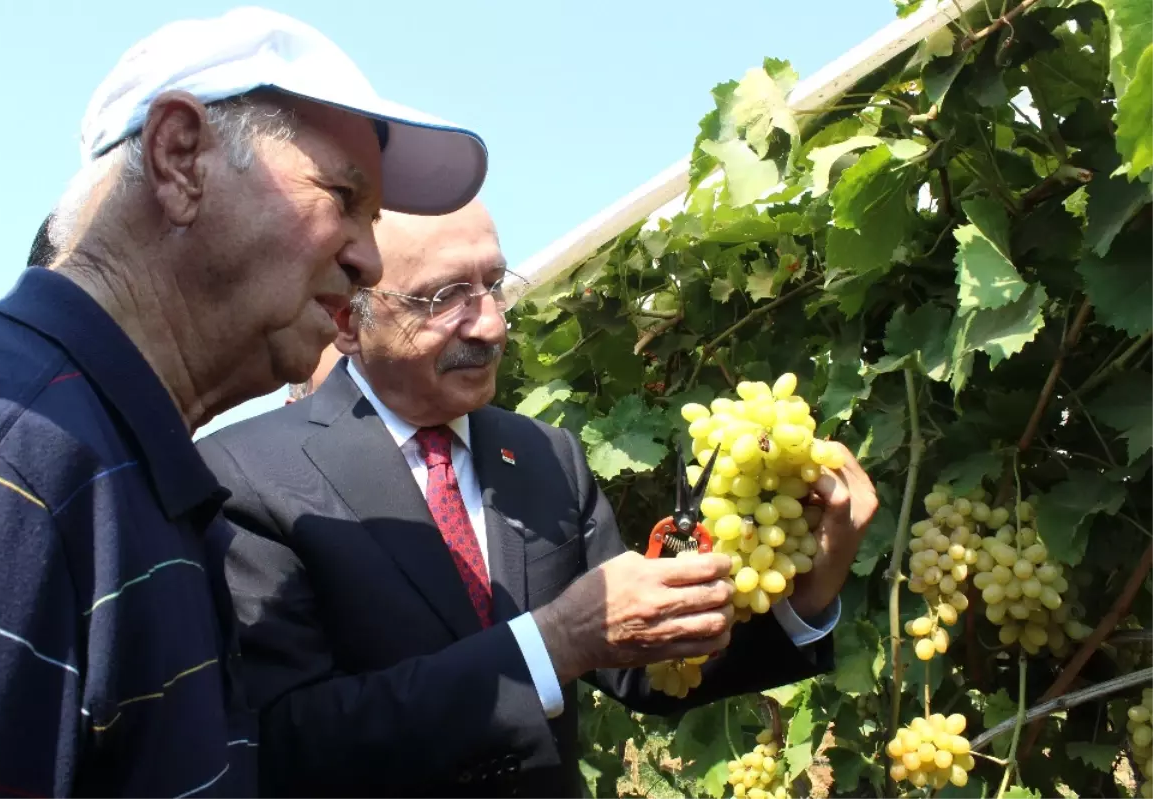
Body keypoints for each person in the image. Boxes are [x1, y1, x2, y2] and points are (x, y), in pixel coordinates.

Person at [0, 7, 487, 798]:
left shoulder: (125, 461)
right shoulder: (2, 459)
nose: (370, 261)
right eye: (343, 196)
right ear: (179, 158)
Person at [197, 200, 879, 798]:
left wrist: (807, 596)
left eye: (493, 285)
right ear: (349, 320)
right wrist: (552, 643)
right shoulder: (248, 475)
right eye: (445, 297)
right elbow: (289, 742)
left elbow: (652, 673)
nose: (491, 326)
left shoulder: (546, 455)